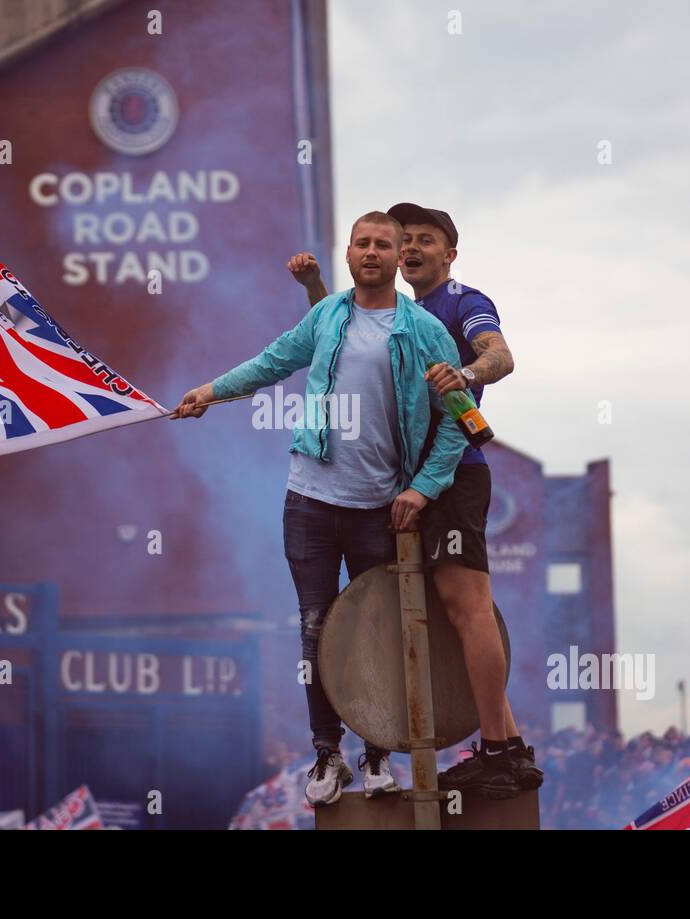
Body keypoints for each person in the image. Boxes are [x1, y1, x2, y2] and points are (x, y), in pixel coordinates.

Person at [176, 211, 467, 806]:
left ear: (395, 257)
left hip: (379, 508)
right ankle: (328, 755)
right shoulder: (327, 316)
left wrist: (424, 488)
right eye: (361, 243)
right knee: (315, 629)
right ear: (350, 253)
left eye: (383, 245)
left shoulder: (425, 330)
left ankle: (378, 754)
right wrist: (210, 391)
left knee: (375, 633)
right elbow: (270, 362)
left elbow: (460, 420)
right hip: (309, 501)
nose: (371, 252)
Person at [285, 203, 544, 798]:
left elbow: (501, 355)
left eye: (425, 241)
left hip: (454, 477)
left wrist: (469, 371)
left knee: (466, 606)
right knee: (427, 613)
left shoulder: (461, 301)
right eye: (407, 241)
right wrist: (315, 286)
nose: (410, 250)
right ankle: (505, 745)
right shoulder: (401, 311)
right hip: (405, 484)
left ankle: (501, 749)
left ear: (449, 254)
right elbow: (334, 340)